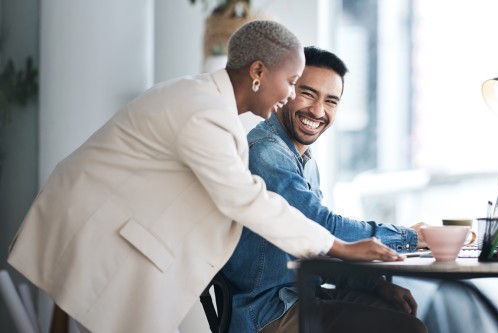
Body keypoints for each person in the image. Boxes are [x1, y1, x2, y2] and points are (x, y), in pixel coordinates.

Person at [5, 21, 402, 333]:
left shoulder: (211, 104)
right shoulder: (205, 111)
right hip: (95, 230)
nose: (293, 94)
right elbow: (245, 199)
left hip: (111, 229)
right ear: (259, 72)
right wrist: (338, 245)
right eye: (294, 81)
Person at [222, 46, 428, 333]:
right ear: (285, 91)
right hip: (268, 309)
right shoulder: (267, 154)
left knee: (399, 311)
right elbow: (324, 227)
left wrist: (375, 285)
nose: (318, 111)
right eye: (308, 94)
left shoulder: (302, 159)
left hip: (302, 294)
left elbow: (316, 248)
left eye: (331, 101)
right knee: (406, 329)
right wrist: (410, 237)